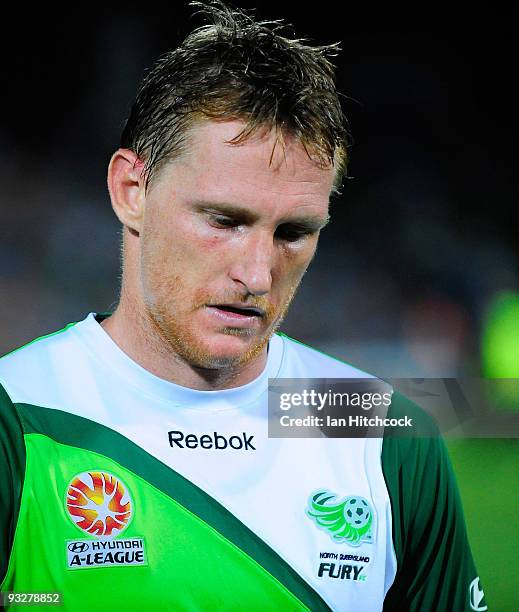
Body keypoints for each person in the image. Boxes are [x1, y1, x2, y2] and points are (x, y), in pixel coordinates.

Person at [0, 2, 487, 610]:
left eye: (293, 234)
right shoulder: (17, 416)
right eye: (224, 220)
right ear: (132, 192)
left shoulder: (388, 438)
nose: (258, 273)